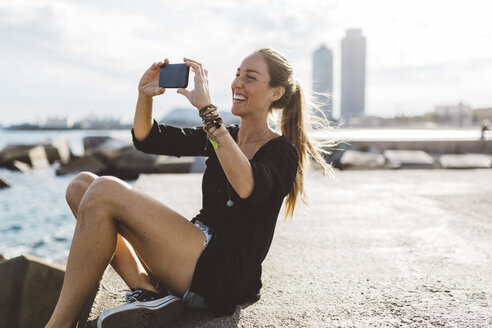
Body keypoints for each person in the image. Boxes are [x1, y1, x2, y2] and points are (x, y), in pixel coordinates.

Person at [45, 47, 334, 328]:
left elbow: (247, 186)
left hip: (219, 274)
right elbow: (148, 138)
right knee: (81, 186)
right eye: (237, 74)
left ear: (276, 93)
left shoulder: (281, 152)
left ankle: (59, 324)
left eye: (250, 77)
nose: (237, 82)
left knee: (105, 189)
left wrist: (208, 112)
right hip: (190, 254)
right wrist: (144, 96)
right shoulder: (224, 135)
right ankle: (149, 293)